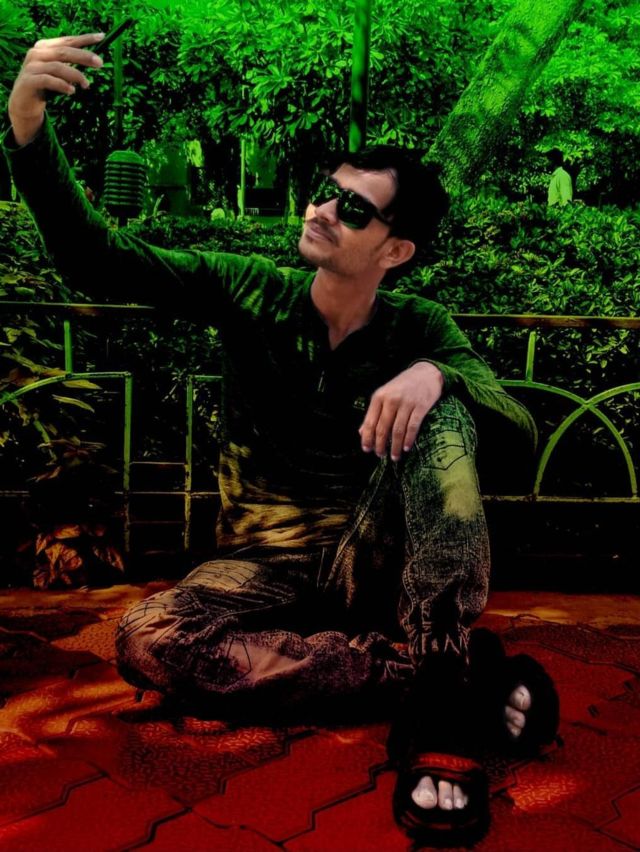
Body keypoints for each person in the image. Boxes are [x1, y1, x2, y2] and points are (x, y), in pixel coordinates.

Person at [4, 32, 559, 846]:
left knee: (444, 408)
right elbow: (99, 260)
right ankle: (438, 677)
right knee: (150, 640)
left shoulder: (420, 326)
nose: (321, 211)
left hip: (376, 558)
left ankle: (438, 711)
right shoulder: (250, 290)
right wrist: (27, 123)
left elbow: (517, 428)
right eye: (325, 193)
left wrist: (437, 374)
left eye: (354, 209)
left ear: (396, 250)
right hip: (261, 562)